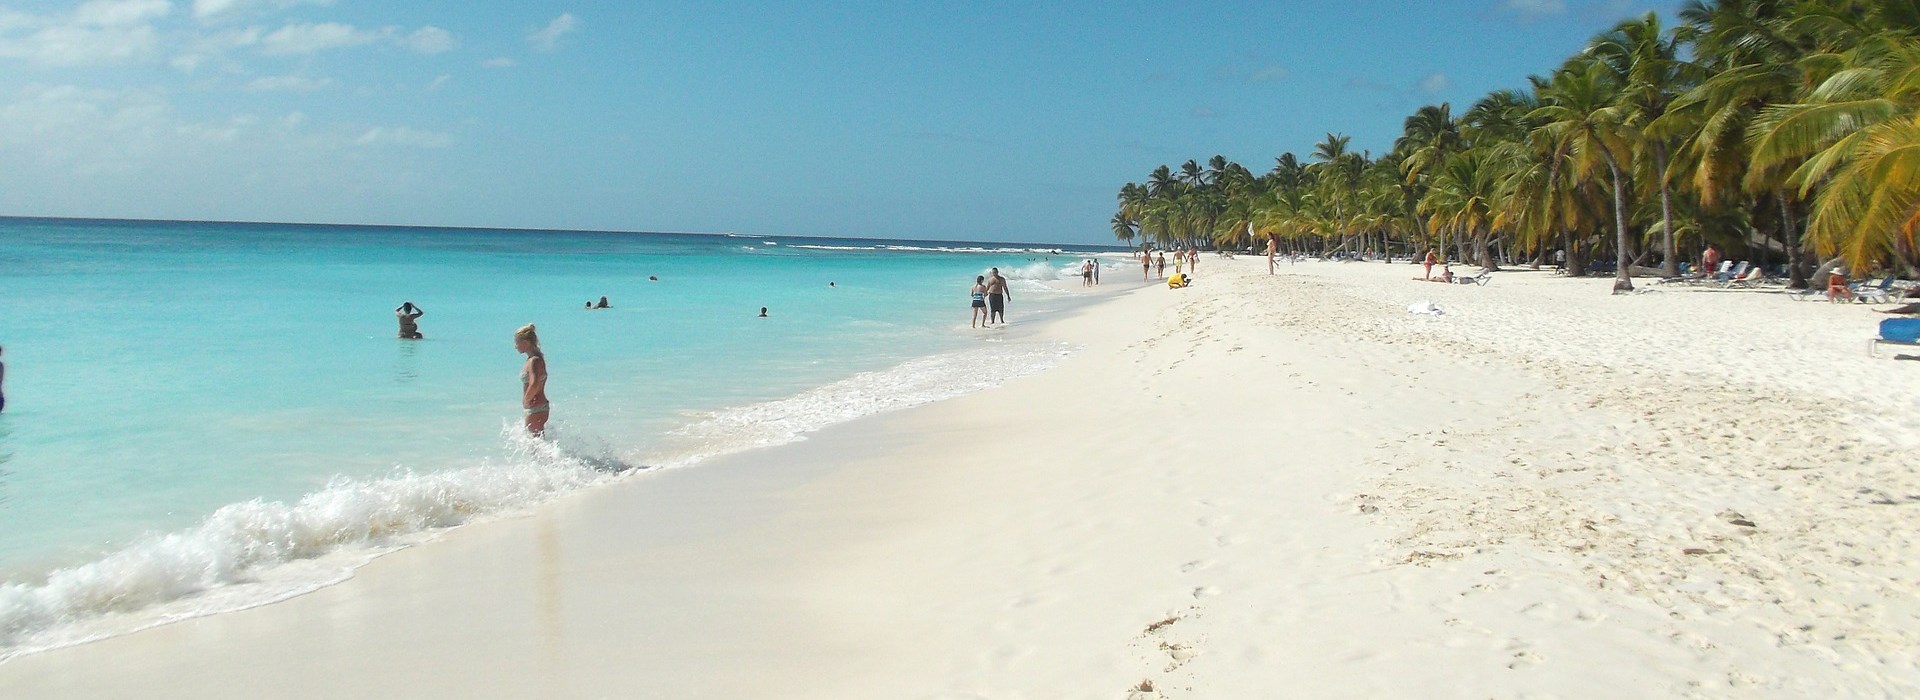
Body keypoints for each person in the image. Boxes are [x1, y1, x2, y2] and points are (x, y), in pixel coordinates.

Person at [514, 325, 549, 436]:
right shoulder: (537, 359)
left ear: (526, 343)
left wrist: (526, 400)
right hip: (539, 406)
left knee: (534, 446)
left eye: (517, 342)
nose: (515, 346)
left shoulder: (534, 360)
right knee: (538, 443)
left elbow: (534, 383)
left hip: (535, 407)